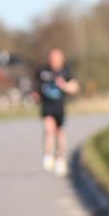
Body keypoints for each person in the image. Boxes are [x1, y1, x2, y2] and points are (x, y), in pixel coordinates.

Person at [35, 48, 79, 177]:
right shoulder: (42, 70)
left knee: (60, 133)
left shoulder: (66, 71)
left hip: (60, 107)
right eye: (52, 59)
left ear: (61, 60)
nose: (54, 62)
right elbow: (35, 85)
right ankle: (48, 154)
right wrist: (35, 94)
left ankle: (61, 158)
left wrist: (64, 85)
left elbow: (75, 87)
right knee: (48, 129)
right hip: (47, 106)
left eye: (57, 59)